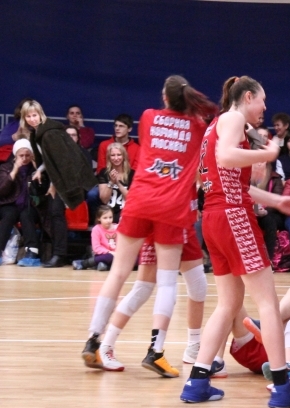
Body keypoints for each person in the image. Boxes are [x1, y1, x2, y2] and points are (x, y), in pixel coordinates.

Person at [179, 75, 290, 408]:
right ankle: (282, 388)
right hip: (232, 217)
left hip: (214, 218)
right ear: (248, 96)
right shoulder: (233, 118)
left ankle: (197, 381)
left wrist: (278, 201)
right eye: (262, 100)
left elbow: (233, 181)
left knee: (227, 305)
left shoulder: (216, 125)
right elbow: (226, 158)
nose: (265, 107)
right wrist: (268, 152)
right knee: (267, 302)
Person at [81, 75, 217, 375]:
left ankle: (93, 340)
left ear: (165, 98)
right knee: (164, 283)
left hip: (140, 201)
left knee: (118, 274)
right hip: (171, 208)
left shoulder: (148, 117)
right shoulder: (197, 127)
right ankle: (155, 351)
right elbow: (208, 121)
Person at [88, 227, 208, 374]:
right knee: (144, 288)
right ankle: (106, 345)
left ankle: (193, 346)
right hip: (161, 225)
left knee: (198, 287)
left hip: (185, 226)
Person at [18, 100, 98, 267]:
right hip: (59, 178)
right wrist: (40, 170)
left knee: (56, 213)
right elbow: (49, 159)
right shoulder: (37, 133)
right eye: (28, 116)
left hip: (69, 179)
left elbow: (62, 163)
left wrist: (54, 185)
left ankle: (59, 255)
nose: (32, 119)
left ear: (41, 114)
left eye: (34, 115)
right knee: (53, 214)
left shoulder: (50, 133)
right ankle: (57, 253)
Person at [0, 139, 40, 266]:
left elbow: (42, 191)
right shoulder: (5, 168)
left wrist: (37, 170)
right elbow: (2, 191)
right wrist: (14, 170)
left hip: (31, 205)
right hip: (9, 204)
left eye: (27, 155)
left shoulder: (36, 169)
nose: (24, 158)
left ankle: (32, 252)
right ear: (15, 156)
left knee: (26, 215)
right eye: (21, 155)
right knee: (9, 214)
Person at [98, 143, 134, 223]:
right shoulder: (104, 173)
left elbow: (131, 199)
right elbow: (104, 200)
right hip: (108, 212)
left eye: (119, 155)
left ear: (124, 156)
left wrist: (118, 183)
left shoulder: (132, 174)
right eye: (113, 155)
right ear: (109, 157)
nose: (116, 158)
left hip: (125, 211)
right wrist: (111, 182)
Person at [73, 205, 117, 271]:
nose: (108, 220)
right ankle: (83, 263)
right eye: (105, 218)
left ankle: (104, 266)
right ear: (99, 218)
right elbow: (96, 248)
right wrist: (109, 252)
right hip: (103, 254)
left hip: (117, 254)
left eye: (110, 217)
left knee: (131, 259)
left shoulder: (118, 228)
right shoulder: (96, 229)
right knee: (109, 257)